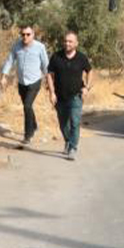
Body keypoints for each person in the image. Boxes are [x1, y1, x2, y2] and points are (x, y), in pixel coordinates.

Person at [46, 30, 92, 160]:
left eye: (70, 41)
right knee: (63, 124)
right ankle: (67, 140)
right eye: (65, 41)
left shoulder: (82, 58)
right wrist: (52, 93)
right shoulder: (56, 57)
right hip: (60, 97)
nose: (67, 43)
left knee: (75, 122)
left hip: (76, 96)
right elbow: (49, 74)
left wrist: (87, 88)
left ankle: (73, 148)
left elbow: (90, 71)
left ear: (76, 43)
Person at [1, 25, 48, 144]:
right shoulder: (17, 46)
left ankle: (28, 135)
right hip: (22, 82)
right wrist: (4, 76)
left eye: (28, 34)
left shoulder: (40, 47)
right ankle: (34, 125)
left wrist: (49, 81)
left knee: (27, 106)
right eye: (23, 34)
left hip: (35, 81)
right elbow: (10, 60)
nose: (25, 37)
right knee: (28, 106)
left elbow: (45, 65)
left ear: (33, 35)